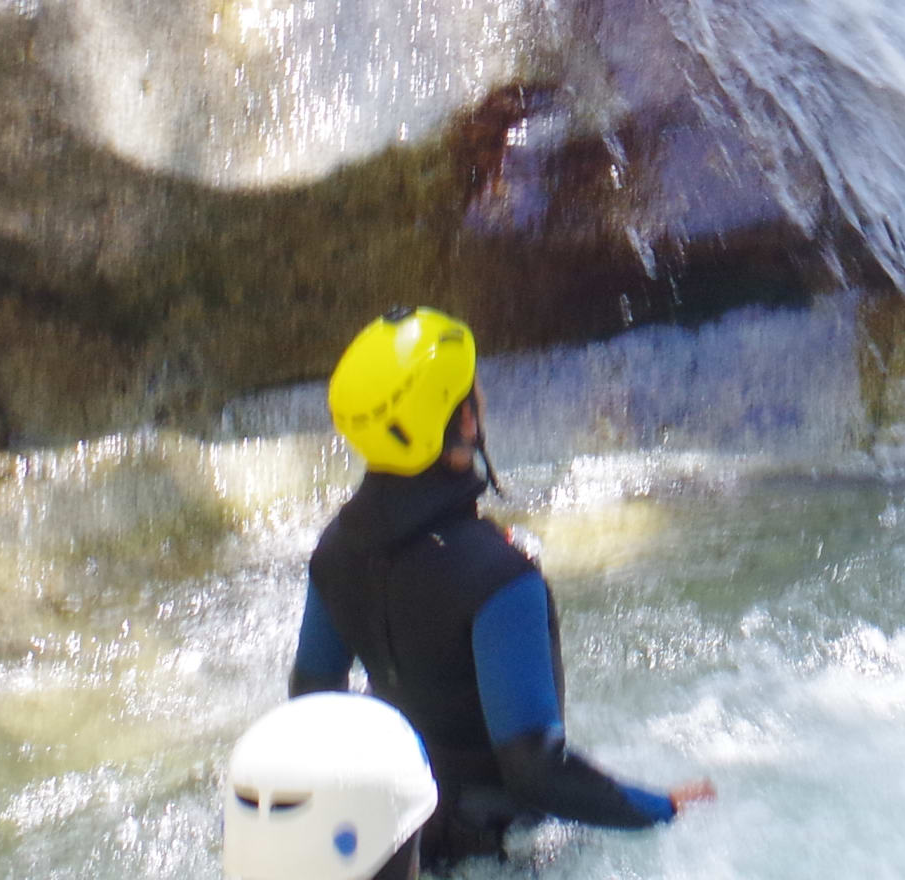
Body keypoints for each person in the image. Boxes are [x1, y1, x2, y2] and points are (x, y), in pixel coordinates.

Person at [289, 309, 710, 865]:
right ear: (465, 422)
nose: (482, 400)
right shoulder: (500, 579)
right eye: (474, 393)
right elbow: (537, 775)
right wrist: (664, 809)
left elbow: (311, 706)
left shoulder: (336, 549)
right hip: (504, 849)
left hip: (393, 840)